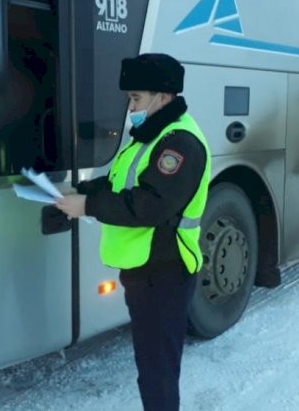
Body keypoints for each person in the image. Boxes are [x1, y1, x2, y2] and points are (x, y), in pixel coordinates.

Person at [56, 53, 211, 411]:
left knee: (157, 369)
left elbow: (150, 205)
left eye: (137, 98)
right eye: (129, 98)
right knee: (151, 364)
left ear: (164, 96)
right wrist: (82, 191)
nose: (131, 106)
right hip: (146, 268)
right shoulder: (149, 136)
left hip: (166, 271)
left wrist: (87, 207)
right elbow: (118, 184)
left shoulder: (179, 143)